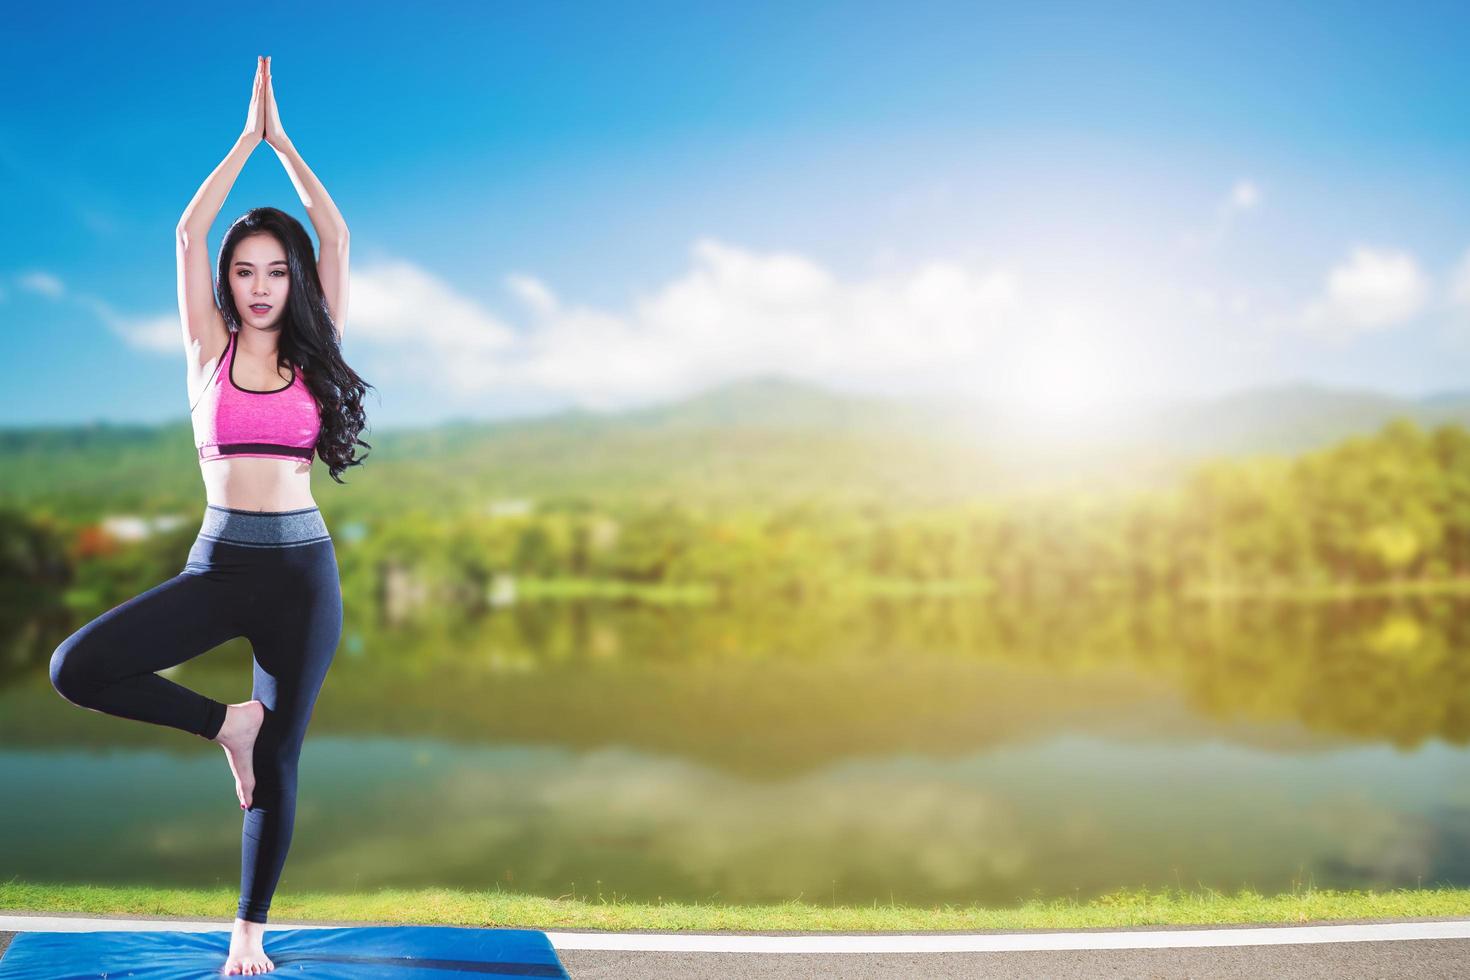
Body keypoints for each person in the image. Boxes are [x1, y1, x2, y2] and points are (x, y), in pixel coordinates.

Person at [48, 55, 373, 976]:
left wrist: (288, 146)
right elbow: (187, 228)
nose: (261, 284)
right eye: (245, 270)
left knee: (282, 760)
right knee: (79, 667)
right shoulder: (206, 352)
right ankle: (221, 725)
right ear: (226, 281)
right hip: (219, 564)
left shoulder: (319, 352)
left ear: (294, 279)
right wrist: (245, 140)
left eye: (276, 269)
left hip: (302, 577)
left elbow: (338, 238)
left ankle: (247, 933)